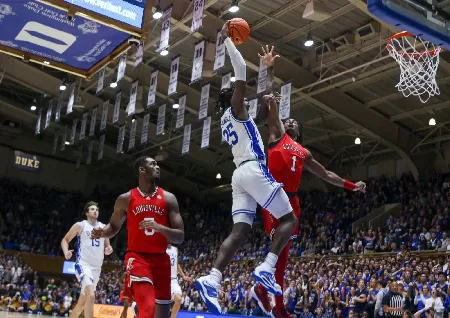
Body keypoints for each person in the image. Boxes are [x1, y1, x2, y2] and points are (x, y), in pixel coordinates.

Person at [251, 46, 366, 318]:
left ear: (298, 131)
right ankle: (266, 294)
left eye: (292, 121)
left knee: (283, 257)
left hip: (292, 202)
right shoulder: (277, 135)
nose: (287, 121)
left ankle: (272, 301)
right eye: (285, 119)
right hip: (272, 196)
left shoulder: (303, 152)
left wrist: (353, 185)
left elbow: (328, 175)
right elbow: (269, 100)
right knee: (277, 251)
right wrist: (267, 69)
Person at [195, 20, 299, 314]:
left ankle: (213, 279)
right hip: (253, 169)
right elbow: (240, 72)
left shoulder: (230, 119)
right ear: (234, 98)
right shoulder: (237, 109)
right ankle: (267, 266)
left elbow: (264, 101)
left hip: (238, 176)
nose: (242, 92)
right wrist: (228, 41)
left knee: (240, 231)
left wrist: (267, 71)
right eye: (238, 92)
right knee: (289, 220)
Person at [91, 156, 184, 318]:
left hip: (162, 260)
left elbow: (180, 236)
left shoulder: (169, 198)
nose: (158, 167)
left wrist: (159, 227)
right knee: (147, 308)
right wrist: (102, 232)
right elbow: (113, 227)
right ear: (142, 170)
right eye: (153, 164)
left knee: (161, 315)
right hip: (137, 258)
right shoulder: (126, 199)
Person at [61, 201, 113, 318]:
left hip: (96, 268)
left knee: (81, 304)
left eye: (97, 210)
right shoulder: (80, 225)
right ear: (86, 212)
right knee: (92, 295)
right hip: (83, 265)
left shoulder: (104, 227)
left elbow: (107, 246)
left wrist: (108, 249)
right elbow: (65, 239)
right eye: (92, 209)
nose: (95, 211)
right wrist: (66, 252)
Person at [167, 243, 192, 318]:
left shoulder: (175, 249)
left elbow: (176, 264)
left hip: (173, 280)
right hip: (163, 280)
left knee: (178, 299)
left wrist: (183, 276)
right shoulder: (160, 248)